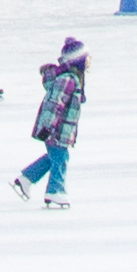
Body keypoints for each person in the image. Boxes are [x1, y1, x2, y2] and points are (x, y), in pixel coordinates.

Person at [16, 36, 89, 207]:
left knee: (53, 157)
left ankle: (26, 179)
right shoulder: (68, 80)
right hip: (56, 130)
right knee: (60, 158)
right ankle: (55, 191)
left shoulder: (73, 79)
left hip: (60, 129)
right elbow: (54, 103)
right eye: (87, 58)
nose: (90, 61)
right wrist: (48, 127)